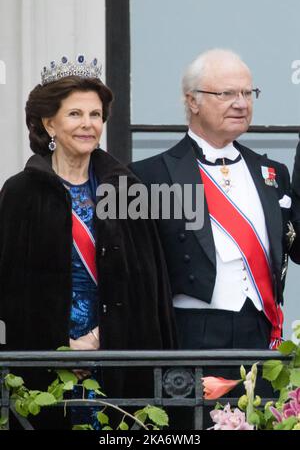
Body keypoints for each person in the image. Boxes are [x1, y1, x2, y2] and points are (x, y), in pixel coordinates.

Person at [0, 55, 177, 428]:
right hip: (47, 368)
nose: (88, 125)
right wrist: (61, 349)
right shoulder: (21, 193)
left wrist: (100, 339)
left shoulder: (127, 189)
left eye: (95, 115)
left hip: (119, 358)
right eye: (75, 114)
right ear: (49, 123)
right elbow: (11, 292)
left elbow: (149, 285)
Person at [130, 49, 300, 352]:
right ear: (192, 100)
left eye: (248, 93)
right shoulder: (148, 176)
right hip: (190, 339)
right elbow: (130, 272)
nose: (241, 104)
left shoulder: (273, 173)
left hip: (261, 337)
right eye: (227, 93)